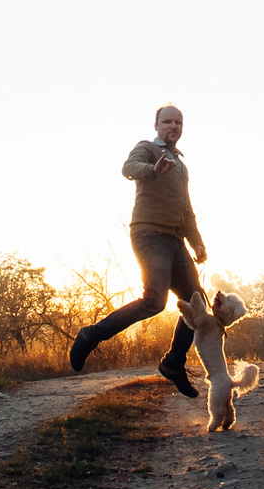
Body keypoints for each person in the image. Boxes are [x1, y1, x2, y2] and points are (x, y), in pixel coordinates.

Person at [69, 103, 207, 398]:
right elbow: (128, 168)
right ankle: (90, 335)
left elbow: (186, 211)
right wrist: (153, 169)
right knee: (155, 301)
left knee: (196, 303)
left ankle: (173, 363)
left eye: (178, 122)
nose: (173, 126)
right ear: (157, 126)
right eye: (167, 121)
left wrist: (196, 241)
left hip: (175, 241)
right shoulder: (147, 148)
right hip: (149, 235)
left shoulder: (181, 166)